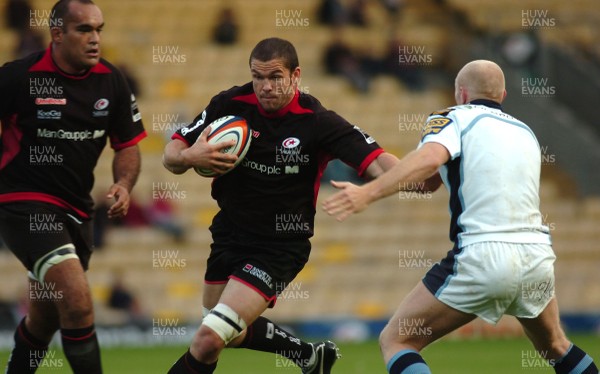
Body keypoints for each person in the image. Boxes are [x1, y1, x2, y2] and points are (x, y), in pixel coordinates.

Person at [322, 60, 598, 374]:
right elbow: (428, 182)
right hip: (537, 257)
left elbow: (428, 161)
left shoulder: (452, 117)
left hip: (484, 256)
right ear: (503, 95)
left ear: (460, 94)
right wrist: (379, 160)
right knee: (556, 346)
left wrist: (367, 192)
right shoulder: (526, 133)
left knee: (397, 340)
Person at [162, 37, 398, 374]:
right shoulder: (230, 103)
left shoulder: (317, 121)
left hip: (279, 246)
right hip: (229, 232)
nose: (265, 87)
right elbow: (171, 155)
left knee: (208, 340)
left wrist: (419, 173)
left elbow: (379, 163)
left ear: (295, 75)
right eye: (258, 77)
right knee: (225, 331)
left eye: (275, 77)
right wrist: (188, 156)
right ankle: (308, 357)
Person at [0, 0, 146, 373]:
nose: (95, 38)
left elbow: (127, 145)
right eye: (84, 30)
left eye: (99, 29)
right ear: (58, 34)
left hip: (78, 212)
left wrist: (124, 184)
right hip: (24, 204)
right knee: (79, 301)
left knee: (44, 320)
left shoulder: (112, 81)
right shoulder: (19, 77)